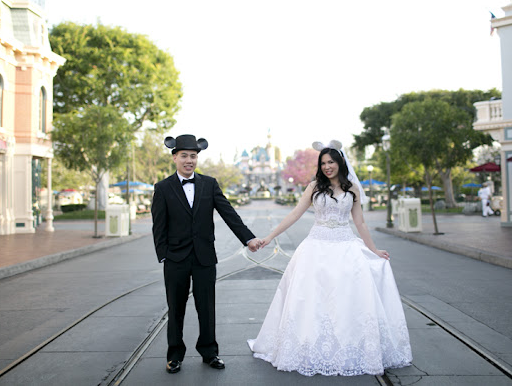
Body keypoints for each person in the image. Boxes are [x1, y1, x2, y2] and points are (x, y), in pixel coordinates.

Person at [248, 140, 412, 376]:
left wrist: (374, 250)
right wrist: (269, 236)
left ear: (340, 162)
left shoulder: (352, 188)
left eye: (331, 162)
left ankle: (346, 346)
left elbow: (360, 222)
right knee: (312, 299)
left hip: (346, 247)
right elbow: (295, 214)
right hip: (315, 248)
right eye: (323, 163)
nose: (327, 166)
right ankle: (309, 345)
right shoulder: (314, 187)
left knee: (345, 299)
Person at [152, 134, 262, 374]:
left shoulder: (209, 184)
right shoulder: (162, 188)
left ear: (197, 158)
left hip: (204, 258)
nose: (189, 160)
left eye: (193, 156)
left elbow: (229, 213)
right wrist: (164, 255)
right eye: (184, 156)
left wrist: (248, 238)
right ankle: (174, 355)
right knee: (176, 308)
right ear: (175, 158)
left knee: (207, 307)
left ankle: (210, 352)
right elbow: (158, 226)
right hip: (176, 259)